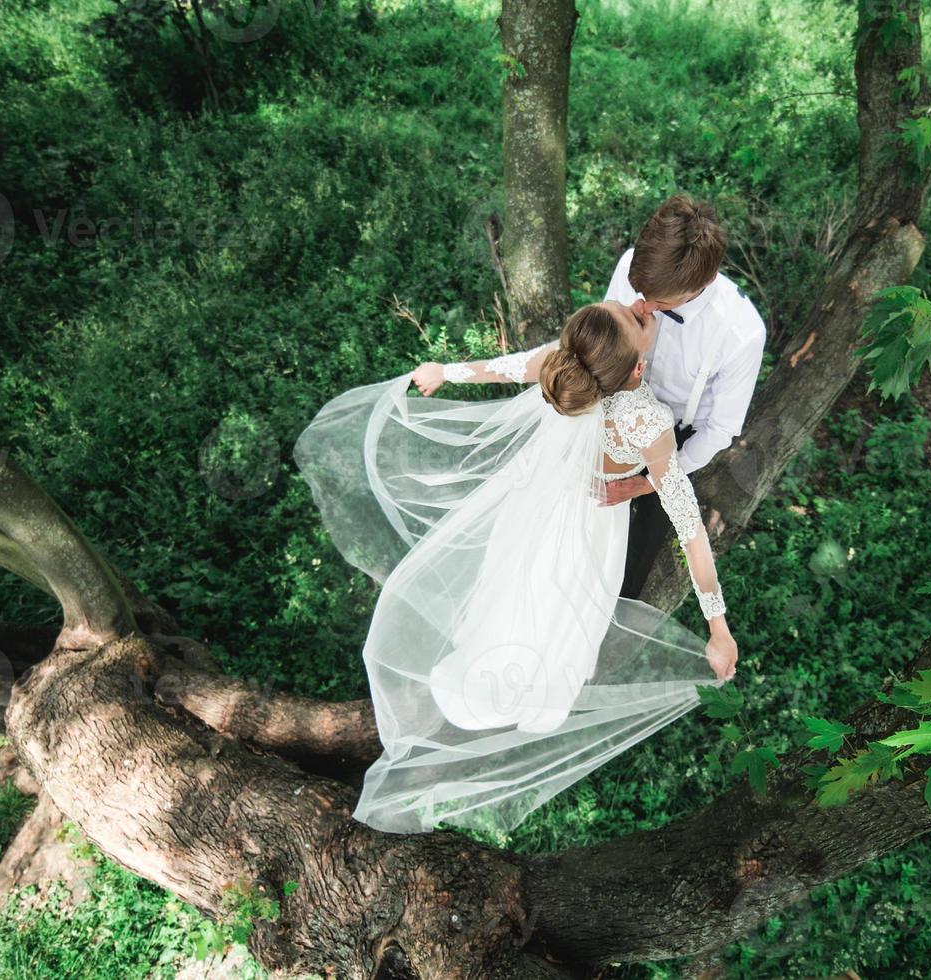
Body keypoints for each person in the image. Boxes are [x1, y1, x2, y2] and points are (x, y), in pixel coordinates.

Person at [294, 301, 738, 836]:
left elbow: (504, 367)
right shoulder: (647, 420)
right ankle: (510, 690)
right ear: (639, 369)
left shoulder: (563, 361)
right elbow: (687, 523)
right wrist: (717, 626)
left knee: (518, 595)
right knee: (549, 612)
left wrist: (444, 372)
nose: (637, 306)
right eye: (632, 315)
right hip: (584, 536)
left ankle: (494, 684)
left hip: (532, 507)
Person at [598, 194, 767, 598]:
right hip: (613, 403)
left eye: (658, 302)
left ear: (702, 283)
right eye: (639, 291)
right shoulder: (630, 265)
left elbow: (720, 429)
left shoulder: (741, 334)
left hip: (674, 440)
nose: (642, 306)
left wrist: (647, 483)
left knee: (632, 560)